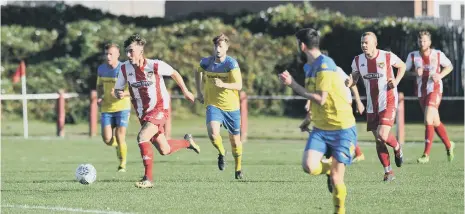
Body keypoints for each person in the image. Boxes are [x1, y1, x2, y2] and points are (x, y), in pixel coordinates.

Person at [279, 28, 357, 214]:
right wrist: (309, 118)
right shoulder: (309, 66)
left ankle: (340, 211)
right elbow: (315, 100)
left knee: (338, 179)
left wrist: (292, 84)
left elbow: (321, 98)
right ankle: (331, 167)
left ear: (302, 45)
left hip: (342, 127)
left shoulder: (325, 65)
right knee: (309, 166)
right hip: (321, 128)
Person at [114, 33, 200, 188]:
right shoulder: (124, 69)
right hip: (143, 113)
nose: (128, 55)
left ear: (140, 51)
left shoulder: (154, 65)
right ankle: (188, 142)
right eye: (126, 51)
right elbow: (117, 90)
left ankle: (148, 179)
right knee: (164, 149)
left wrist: (186, 91)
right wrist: (118, 93)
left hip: (160, 108)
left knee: (142, 137)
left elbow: (174, 72)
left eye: (131, 51)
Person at [346, 32, 405, 182]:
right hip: (372, 105)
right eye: (362, 43)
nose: (364, 45)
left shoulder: (386, 56)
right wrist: (349, 81)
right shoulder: (358, 60)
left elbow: (402, 66)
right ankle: (388, 172)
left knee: (382, 135)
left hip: (388, 100)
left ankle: (397, 148)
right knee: (379, 141)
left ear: (375, 43)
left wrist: (396, 81)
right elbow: (354, 78)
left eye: (366, 42)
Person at [302, 50, 366, 163]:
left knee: (337, 127)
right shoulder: (317, 71)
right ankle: (357, 153)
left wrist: (359, 102)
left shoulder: (336, 70)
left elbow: (352, 85)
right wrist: (308, 103)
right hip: (330, 102)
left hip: (344, 101)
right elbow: (314, 90)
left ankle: (334, 155)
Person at [195, 33, 244, 179]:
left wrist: (223, 84)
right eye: (216, 45)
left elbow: (239, 85)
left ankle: (238, 169)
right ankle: (222, 152)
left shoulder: (231, 64)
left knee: (235, 141)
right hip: (213, 105)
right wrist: (198, 92)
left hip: (231, 108)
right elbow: (197, 72)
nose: (217, 48)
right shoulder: (206, 62)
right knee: (213, 133)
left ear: (226, 48)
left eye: (221, 46)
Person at [405, 30, 455, 164]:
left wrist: (440, 75)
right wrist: (415, 72)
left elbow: (449, 66)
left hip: (435, 89)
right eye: (420, 41)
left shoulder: (438, 54)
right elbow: (404, 72)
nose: (422, 43)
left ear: (430, 42)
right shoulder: (413, 56)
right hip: (422, 93)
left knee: (428, 119)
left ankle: (426, 154)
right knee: (435, 122)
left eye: (425, 40)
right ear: (418, 41)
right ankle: (449, 146)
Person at [96, 43, 131, 172]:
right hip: (107, 108)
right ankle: (118, 146)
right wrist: (99, 97)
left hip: (122, 107)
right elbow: (99, 86)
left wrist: (124, 94)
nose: (108, 56)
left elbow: (134, 88)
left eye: (111, 54)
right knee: (107, 139)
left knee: (121, 136)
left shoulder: (125, 69)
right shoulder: (101, 69)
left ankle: (122, 164)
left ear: (117, 55)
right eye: (106, 54)